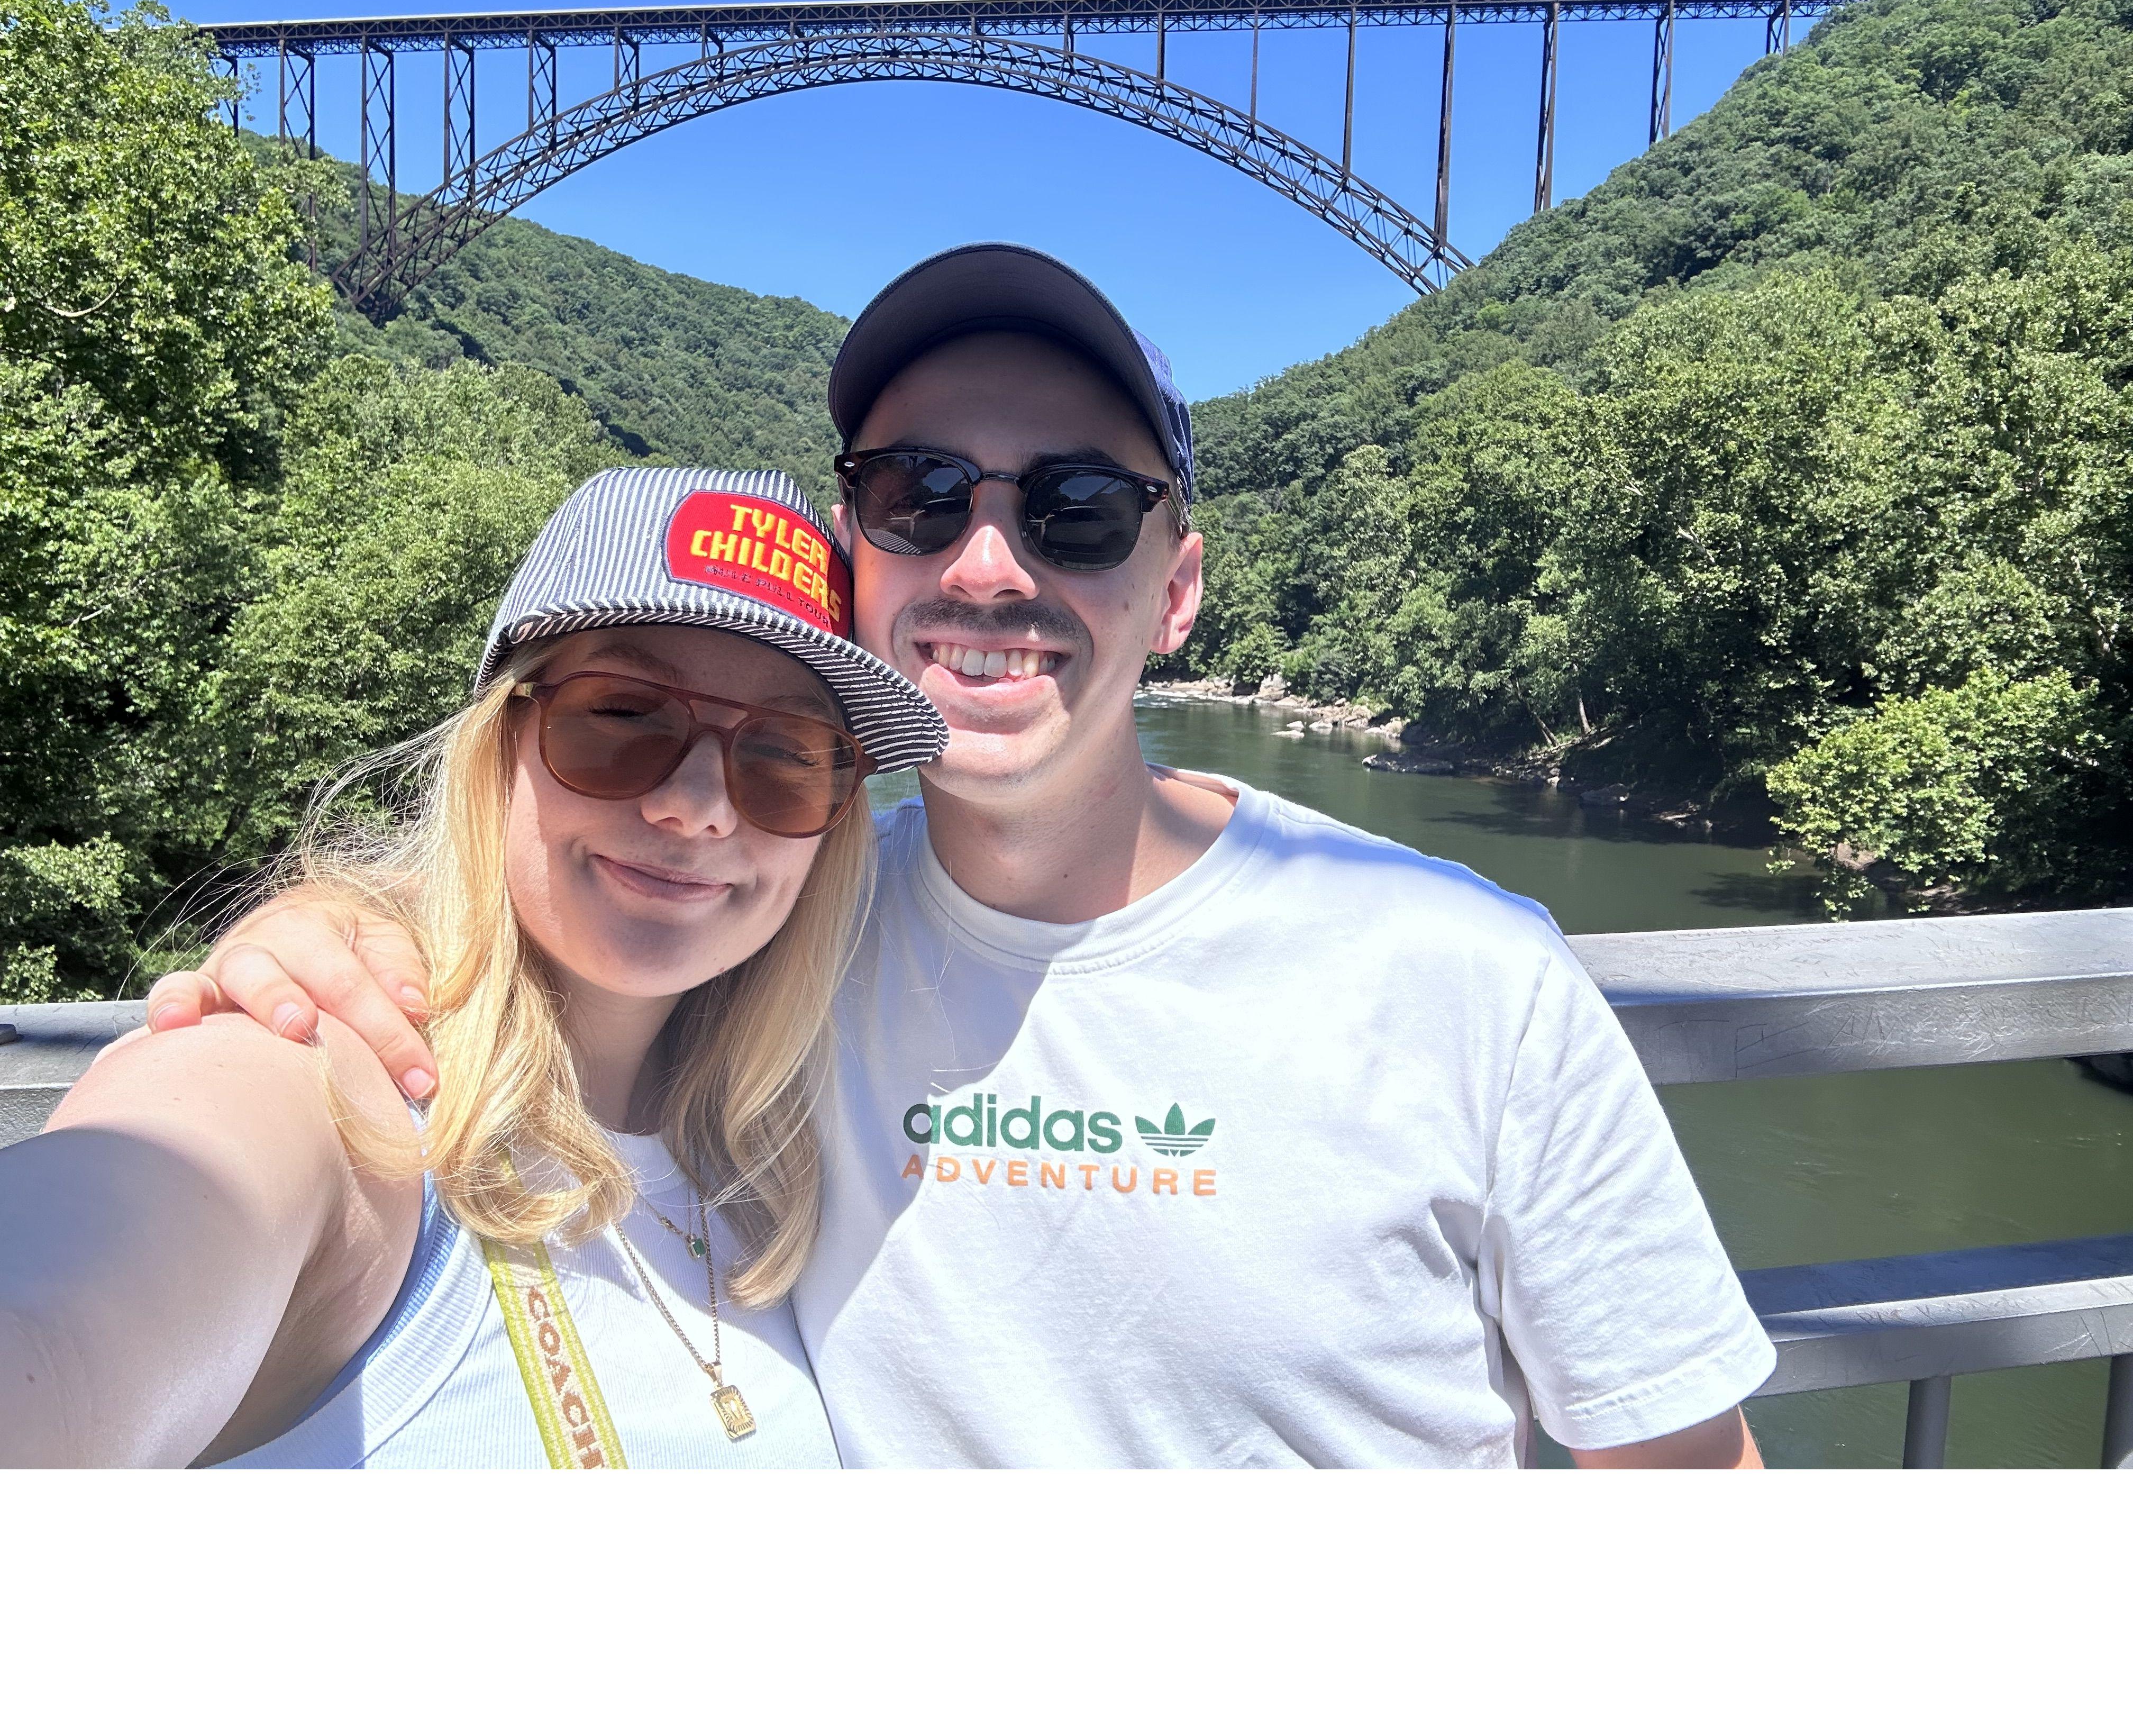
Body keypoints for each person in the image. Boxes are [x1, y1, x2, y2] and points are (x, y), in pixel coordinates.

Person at [143, 244, 1775, 1468]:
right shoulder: (773, 927)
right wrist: (338, 936)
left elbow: (1685, 1486)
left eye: (1079, 508)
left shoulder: (1470, 974)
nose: (989, 562)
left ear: (1178, 589)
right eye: (920, 493)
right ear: (854, 562)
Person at [0, 465, 946, 1467]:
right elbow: (65, 1324)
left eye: (787, 753)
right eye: (625, 716)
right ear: (499, 742)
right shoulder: (323, 1088)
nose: (700, 806)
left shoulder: (769, 1161)